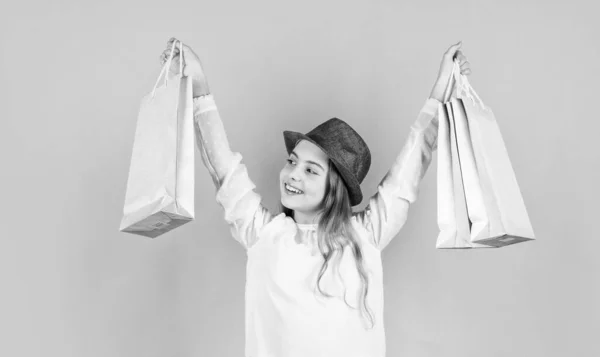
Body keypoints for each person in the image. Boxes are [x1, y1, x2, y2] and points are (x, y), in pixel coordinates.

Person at [160, 37, 471, 357]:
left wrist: (440, 93)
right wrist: (199, 88)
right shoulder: (263, 233)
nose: (293, 174)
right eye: (292, 162)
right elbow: (223, 167)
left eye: (311, 170)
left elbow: (409, 170)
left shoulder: (366, 234)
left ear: (334, 187)